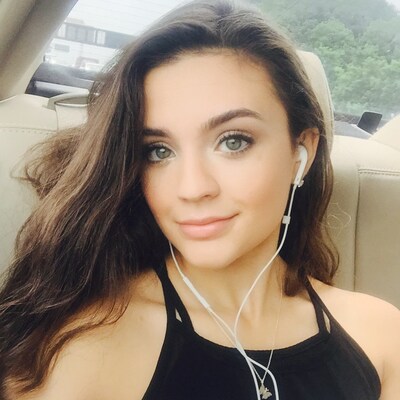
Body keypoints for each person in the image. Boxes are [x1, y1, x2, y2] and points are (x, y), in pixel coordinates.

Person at [0, 1, 399, 399]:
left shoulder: (380, 337)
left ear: (301, 152)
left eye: (233, 141)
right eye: (158, 151)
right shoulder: (87, 348)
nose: (192, 188)